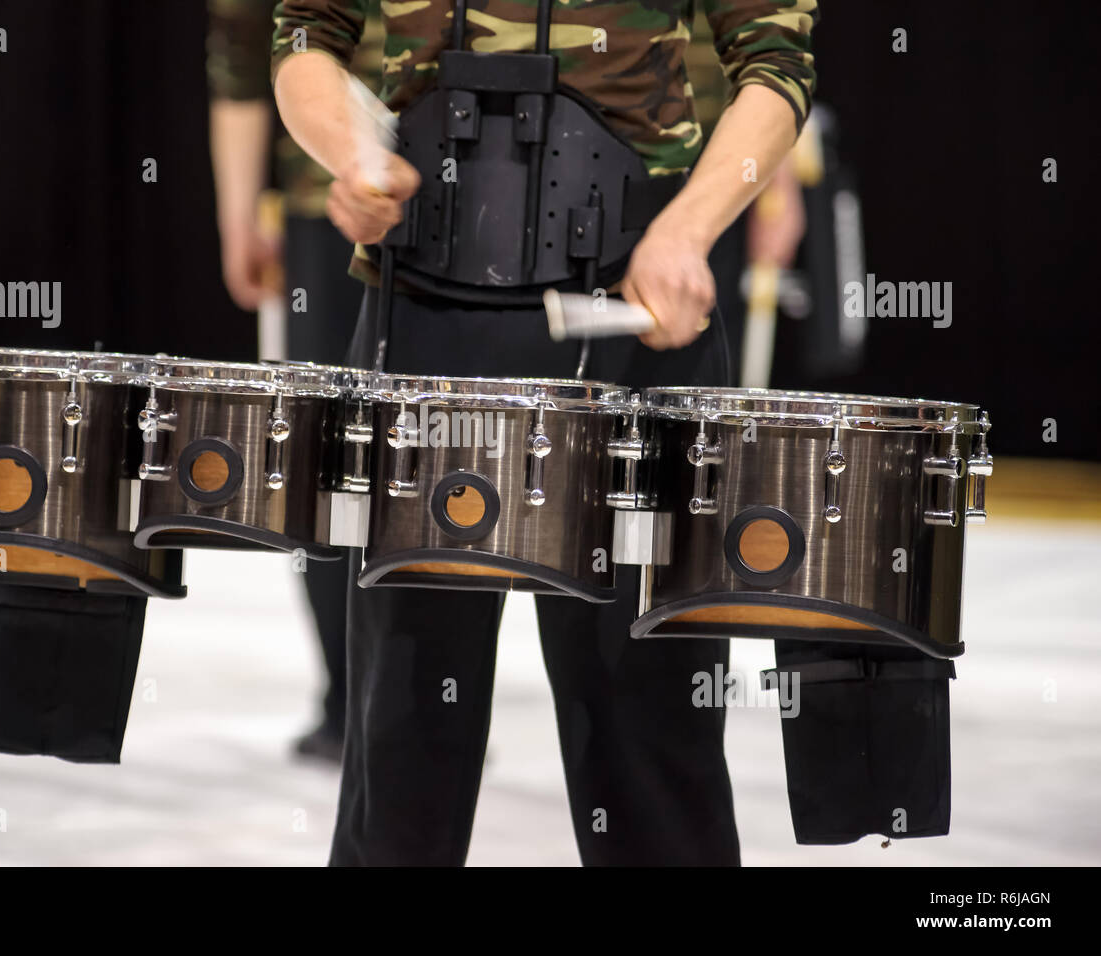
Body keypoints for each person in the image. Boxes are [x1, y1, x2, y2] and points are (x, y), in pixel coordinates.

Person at [270, 0, 818, 863]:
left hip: (633, 306)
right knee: (401, 733)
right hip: (422, 311)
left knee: (648, 730)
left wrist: (688, 232)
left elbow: (778, 57)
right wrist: (353, 154)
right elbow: (305, 33)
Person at [207, 0, 384, 760]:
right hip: (408, 204)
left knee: (329, 461)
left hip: (336, 207)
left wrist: (238, 213)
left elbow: (240, 56)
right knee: (372, 456)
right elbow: (242, 51)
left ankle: (361, 703)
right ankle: (389, 703)